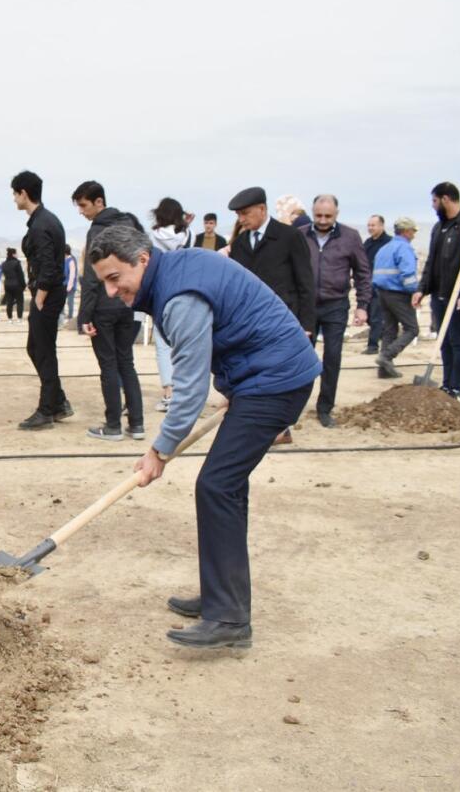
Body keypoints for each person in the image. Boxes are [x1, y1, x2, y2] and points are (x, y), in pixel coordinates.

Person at [89, 225, 320, 649]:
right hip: (263, 377)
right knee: (225, 487)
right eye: (103, 280)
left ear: (142, 259)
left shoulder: (179, 299)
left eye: (114, 278)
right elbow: (238, 322)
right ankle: (221, 594)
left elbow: (190, 387)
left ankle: (230, 619)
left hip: (276, 380)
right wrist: (236, 389)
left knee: (216, 485)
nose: (110, 291)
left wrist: (160, 450)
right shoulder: (178, 270)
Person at [73, 180, 144, 441]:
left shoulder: (98, 231)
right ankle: (137, 424)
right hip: (130, 304)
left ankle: (113, 425)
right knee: (127, 362)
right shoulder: (131, 224)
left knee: (109, 365)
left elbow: (92, 277)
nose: (81, 211)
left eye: (83, 205)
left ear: (98, 202)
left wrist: (84, 316)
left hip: (105, 306)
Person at [301, 195, 371, 428]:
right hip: (306, 308)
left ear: (337, 214)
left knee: (332, 357)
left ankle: (325, 408)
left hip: (336, 305)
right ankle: (295, 405)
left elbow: (362, 273)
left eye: (327, 216)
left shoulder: (350, 237)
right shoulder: (300, 235)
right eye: (318, 215)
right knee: (302, 358)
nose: (322, 220)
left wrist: (362, 306)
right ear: (312, 212)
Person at [14, 170, 74, 430]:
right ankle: (58, 402)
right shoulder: (46, 220)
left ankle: (47, 410)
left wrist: (40, 296)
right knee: (36, 348)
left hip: (47, 295)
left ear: (24, 193)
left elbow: (49, 266)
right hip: (50, 293)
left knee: (44, 350)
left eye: (15, 194)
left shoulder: (41, 225)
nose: (14, 199)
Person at [414, 182, 460, 401]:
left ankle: (457, 388)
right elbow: (431, 263)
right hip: (439, 295)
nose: (433, 206)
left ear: (445, 199)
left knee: (458, 340)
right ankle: (447, 385)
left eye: (434, 201)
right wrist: (421, 289)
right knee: (444, 342)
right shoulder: (438, 227)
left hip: (459, 297)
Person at [227, 187, 315, 332]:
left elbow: (305, 283)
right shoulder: (238, 244)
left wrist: (306, 325)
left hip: (284, 320)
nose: (241, 220)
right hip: (250, 323)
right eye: (238, 215)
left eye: (245, 213)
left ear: (262, 209)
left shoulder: (290, 236)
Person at [147, 198, 194, 413]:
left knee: (163, 345)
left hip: (161, 291)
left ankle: (169, 392)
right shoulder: (189, 234)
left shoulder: (153, 236)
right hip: (186, 289)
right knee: (184, 344)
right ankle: (186, 392)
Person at [372, 218, 421, 378]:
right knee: (412, 328)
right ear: (406, 231)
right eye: (413, 231)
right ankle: (387, 356)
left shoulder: (385, 248)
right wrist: (415, 291)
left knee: (390, 329)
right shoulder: (404, 248)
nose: (414, 234)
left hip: (382, 293)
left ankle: (384, 370)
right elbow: (408, 274)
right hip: (398, 294)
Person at [361, 215, 392, 355]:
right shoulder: (367, 243)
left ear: (381, 226)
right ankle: (383, 334)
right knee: (367, 314)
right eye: (369, 225)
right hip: (367, 285)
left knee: (376, 316)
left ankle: (372, 346)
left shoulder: (388, 243)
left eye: (373, 225)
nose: (370, 228)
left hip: (382, 285)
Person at [1, 247, 26, 323]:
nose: (17, 255)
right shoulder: (17, 263)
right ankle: (19, 318)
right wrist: (24, 285)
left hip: (7, 284)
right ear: (13, 254)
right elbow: (21, 275)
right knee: (20, 302)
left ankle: (10, 318)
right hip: (17, 284)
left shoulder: (4, 264)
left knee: (9, 302)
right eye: (16, 253)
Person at [62, 244, 78, 326]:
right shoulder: (64, 260)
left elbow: (72, 275)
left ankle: (70, 318)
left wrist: (69, 286)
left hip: (70, 286)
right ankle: (63, 318)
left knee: (70, 302)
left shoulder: (71, 260)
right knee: (62, 302)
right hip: (63, 285)